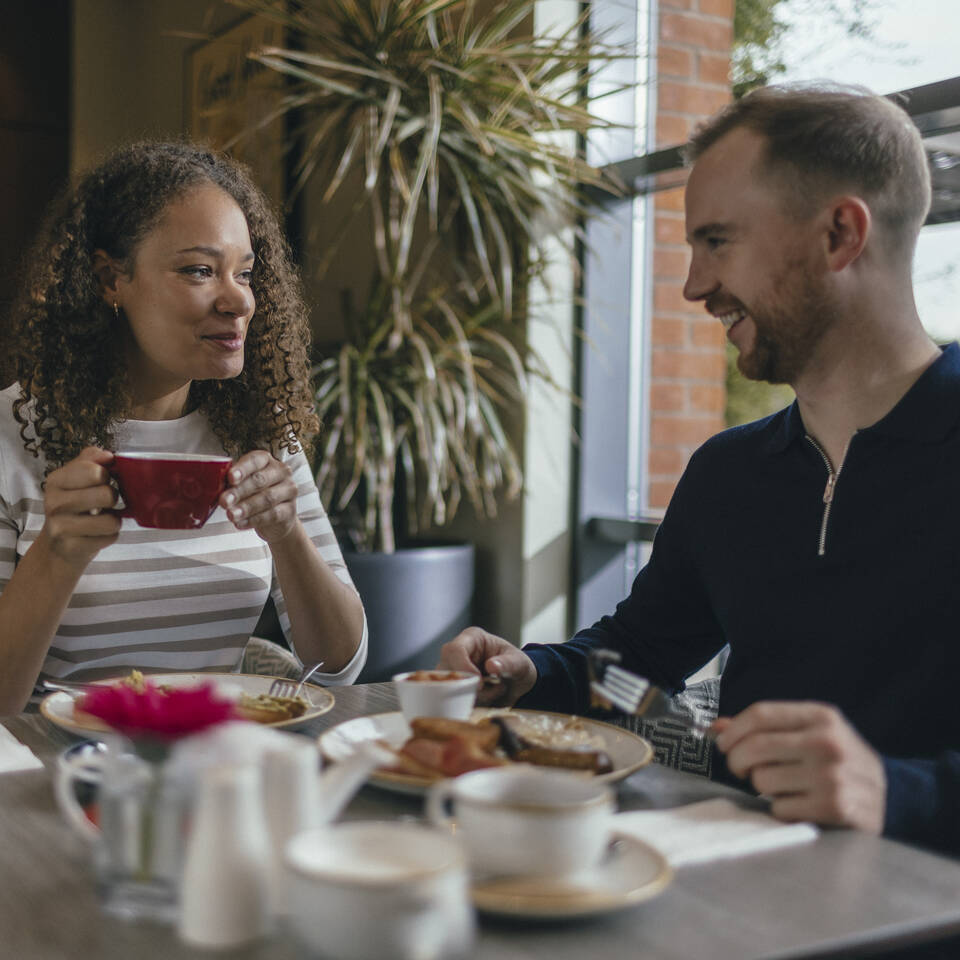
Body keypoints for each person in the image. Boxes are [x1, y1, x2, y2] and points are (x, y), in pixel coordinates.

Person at [440, 83, 960, 855]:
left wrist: (895, 791)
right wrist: (535, 673)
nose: (694, 285)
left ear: (840, 235)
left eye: (717, 242)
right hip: (728, 879)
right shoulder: (729, 473)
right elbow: (635, 669)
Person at [0, 140, 367, 715]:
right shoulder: (11, 436)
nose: (238, 301)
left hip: (215, 750)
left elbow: (342, 666)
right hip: (54, 756)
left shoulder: (259, 431)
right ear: (110, 279)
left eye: (245, 273)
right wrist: (56, 554)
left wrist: (287, 533)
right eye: (200, 270)